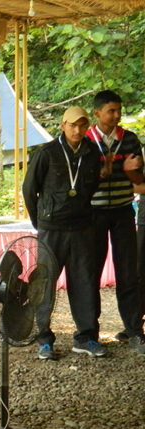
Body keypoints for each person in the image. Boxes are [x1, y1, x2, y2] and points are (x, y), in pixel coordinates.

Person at [23, 106, 102, 360]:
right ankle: (44, 340)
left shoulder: (92, 152)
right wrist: (40, 222)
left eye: (82, 125)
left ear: (87, 126)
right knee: (45, 283)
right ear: (62, 125)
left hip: (81, 228)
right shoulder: (46, 153)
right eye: (72, 125)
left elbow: (91, 187)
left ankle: (86, 338)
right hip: (51, 229)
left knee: (85, 282)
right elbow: (29, 190)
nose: (77, 130)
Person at [86, 90, 145, 354]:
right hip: (93, 214)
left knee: (128, 273)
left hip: (123, 211)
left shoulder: (130, 139)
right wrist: (104, 172)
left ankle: (134, 332)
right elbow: (81, 179)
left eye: (119, 110)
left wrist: (132, 171)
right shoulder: (86, 141)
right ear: (97, 113)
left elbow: (139, 180)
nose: (117, 115)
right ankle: (89, 334)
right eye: (111, 111)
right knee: (90, 273)